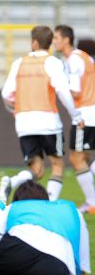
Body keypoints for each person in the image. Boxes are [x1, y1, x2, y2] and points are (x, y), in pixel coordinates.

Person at [0, 25, 84, 202]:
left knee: (37, 170)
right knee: (57, 165)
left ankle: (12, 181)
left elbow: (6, 94)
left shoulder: (18, 63)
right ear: (50, 43)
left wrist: (15, 110)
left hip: (23, 123)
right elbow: (62, 91)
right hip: (48, 122)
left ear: (34, 42)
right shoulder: (52, 62)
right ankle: (50, 205)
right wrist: (75, 115)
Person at [53, 25, 95, 213]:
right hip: (92, 111)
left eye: (56, 38)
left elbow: (75, 91)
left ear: (66, 40)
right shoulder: (85, 57)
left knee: (76, 158)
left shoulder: (73, 60)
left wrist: (57, 86)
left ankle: (92, 202)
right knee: (86, 156)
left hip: (84, 114)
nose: (54, 41)